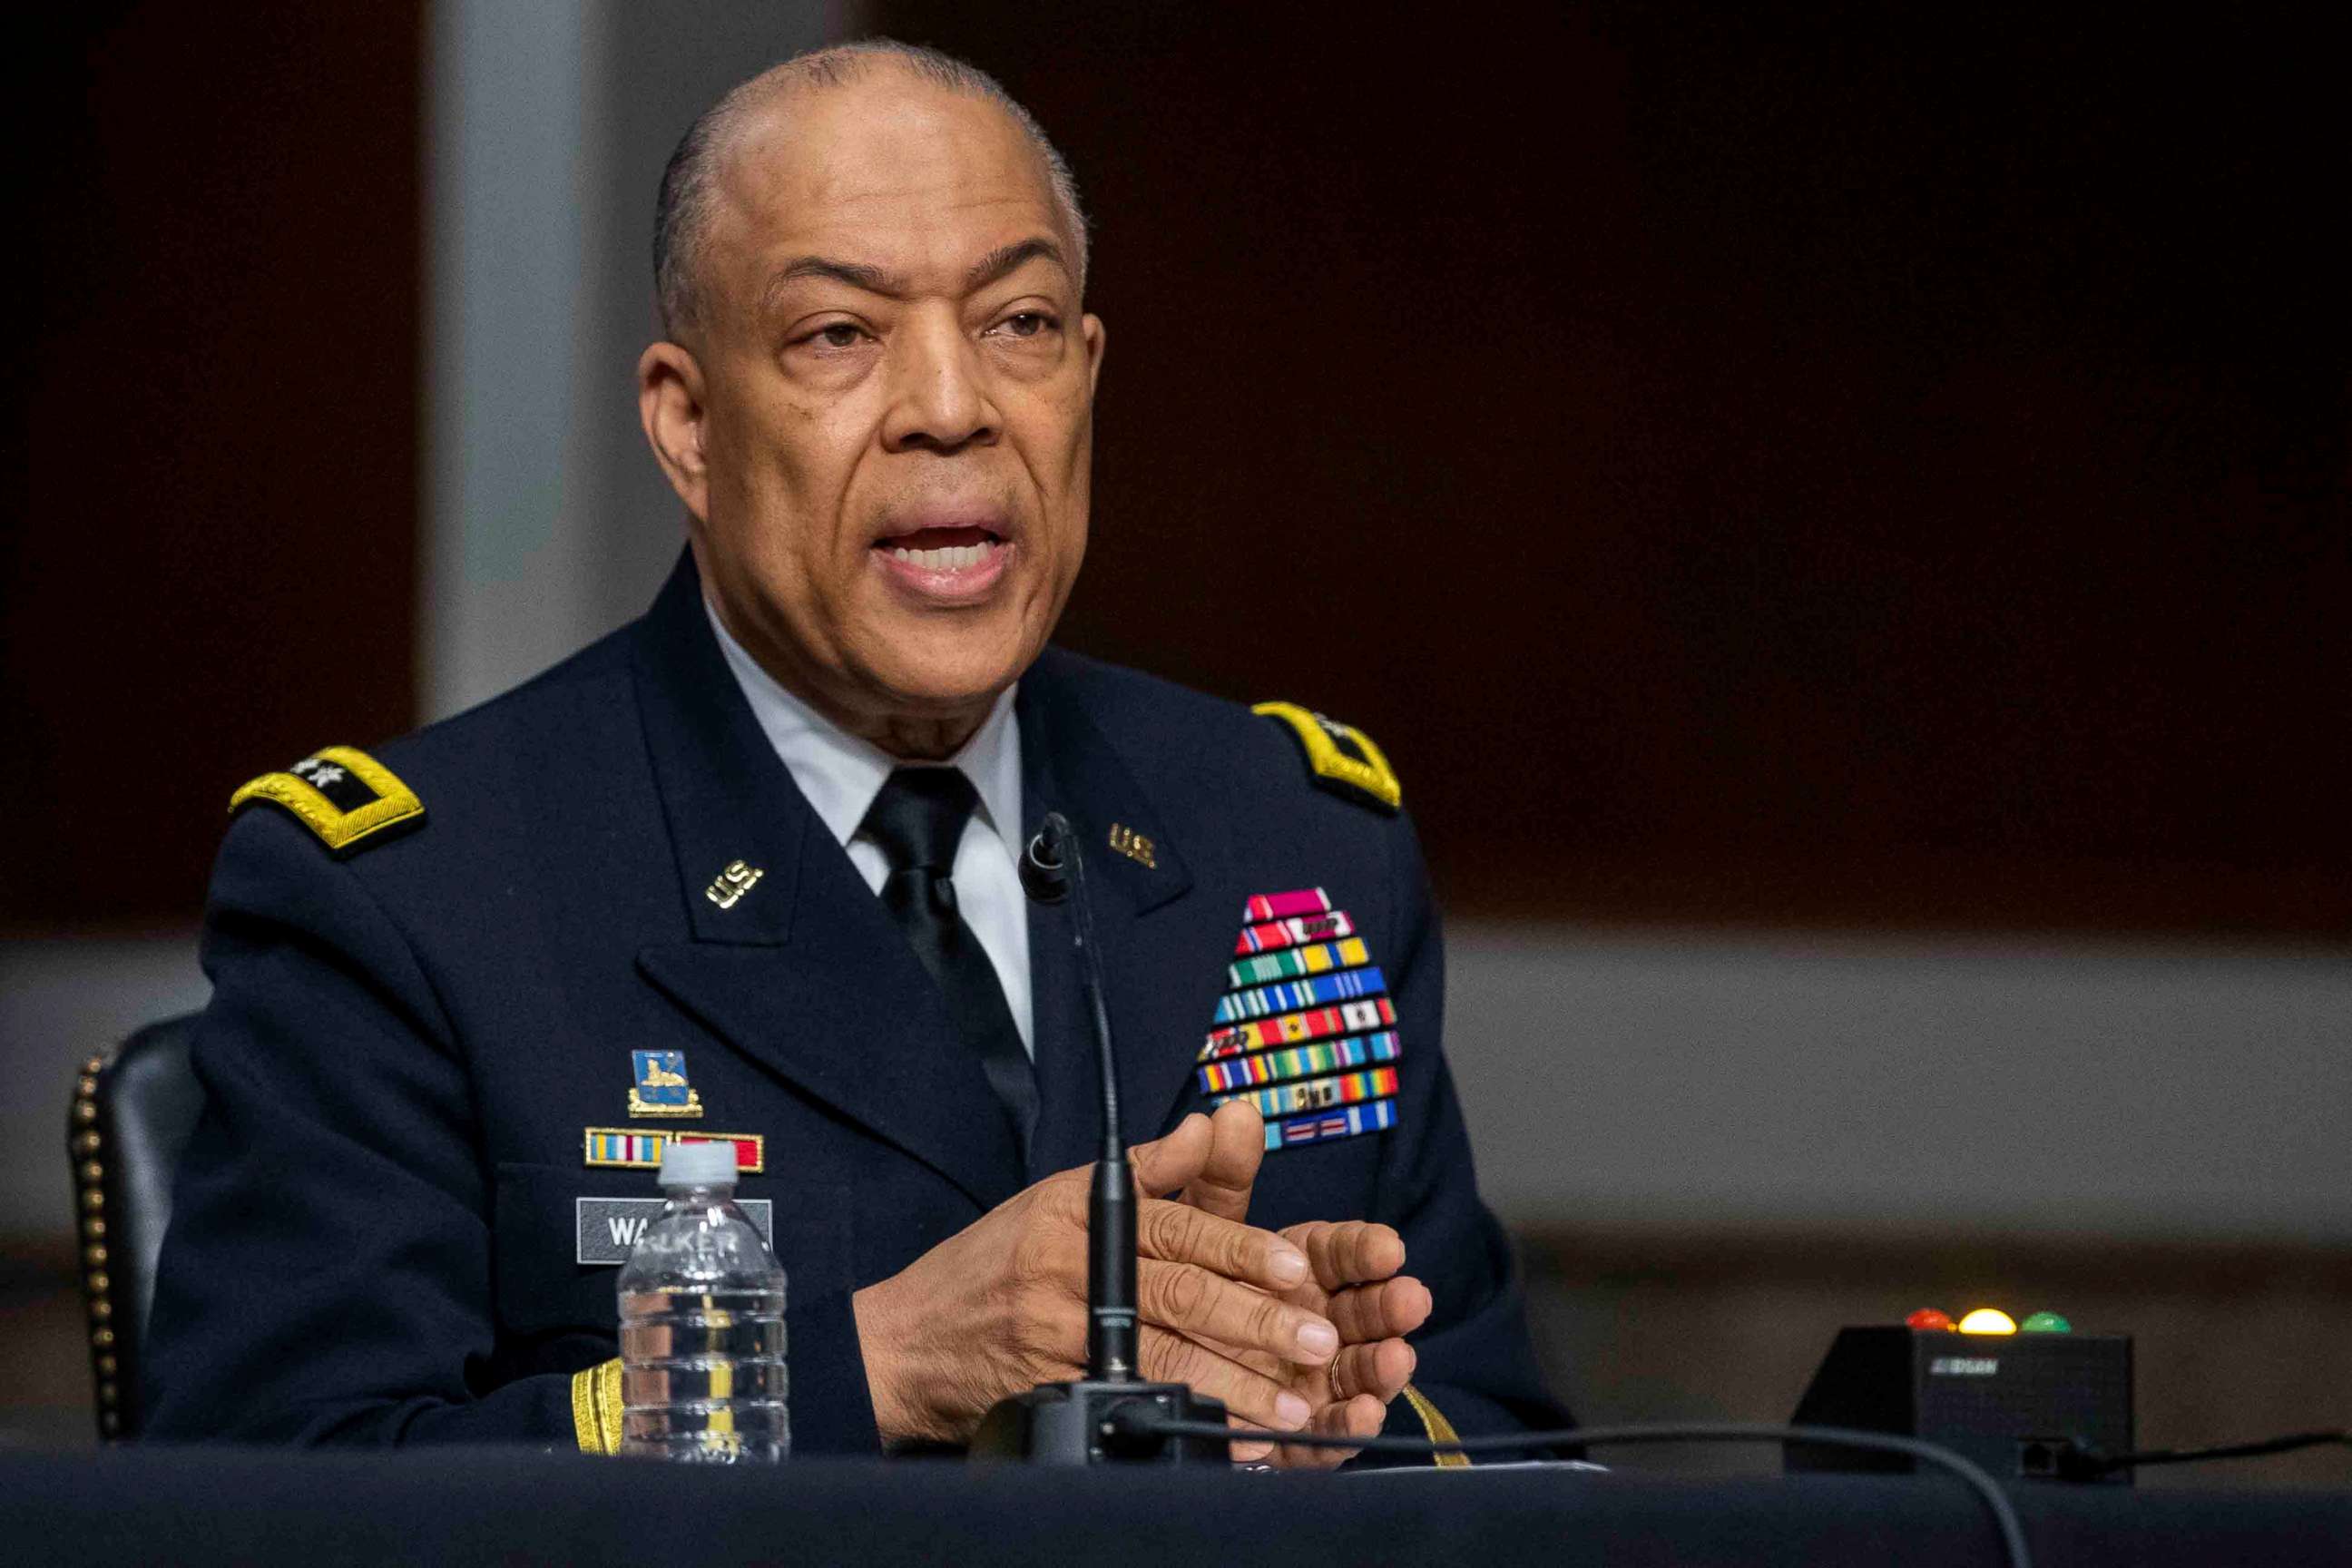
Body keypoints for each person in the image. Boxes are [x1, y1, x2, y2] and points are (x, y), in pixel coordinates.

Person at [144, 40, 1568, 1465]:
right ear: (688, 425)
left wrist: (1335, 1424)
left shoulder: (1295, 837)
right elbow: (268, 1489)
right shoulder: (418, 898)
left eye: (1016, 322)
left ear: (1086, 374)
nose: (951, 405)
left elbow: (1517, 1451)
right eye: (840, 334)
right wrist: (877, 1364)